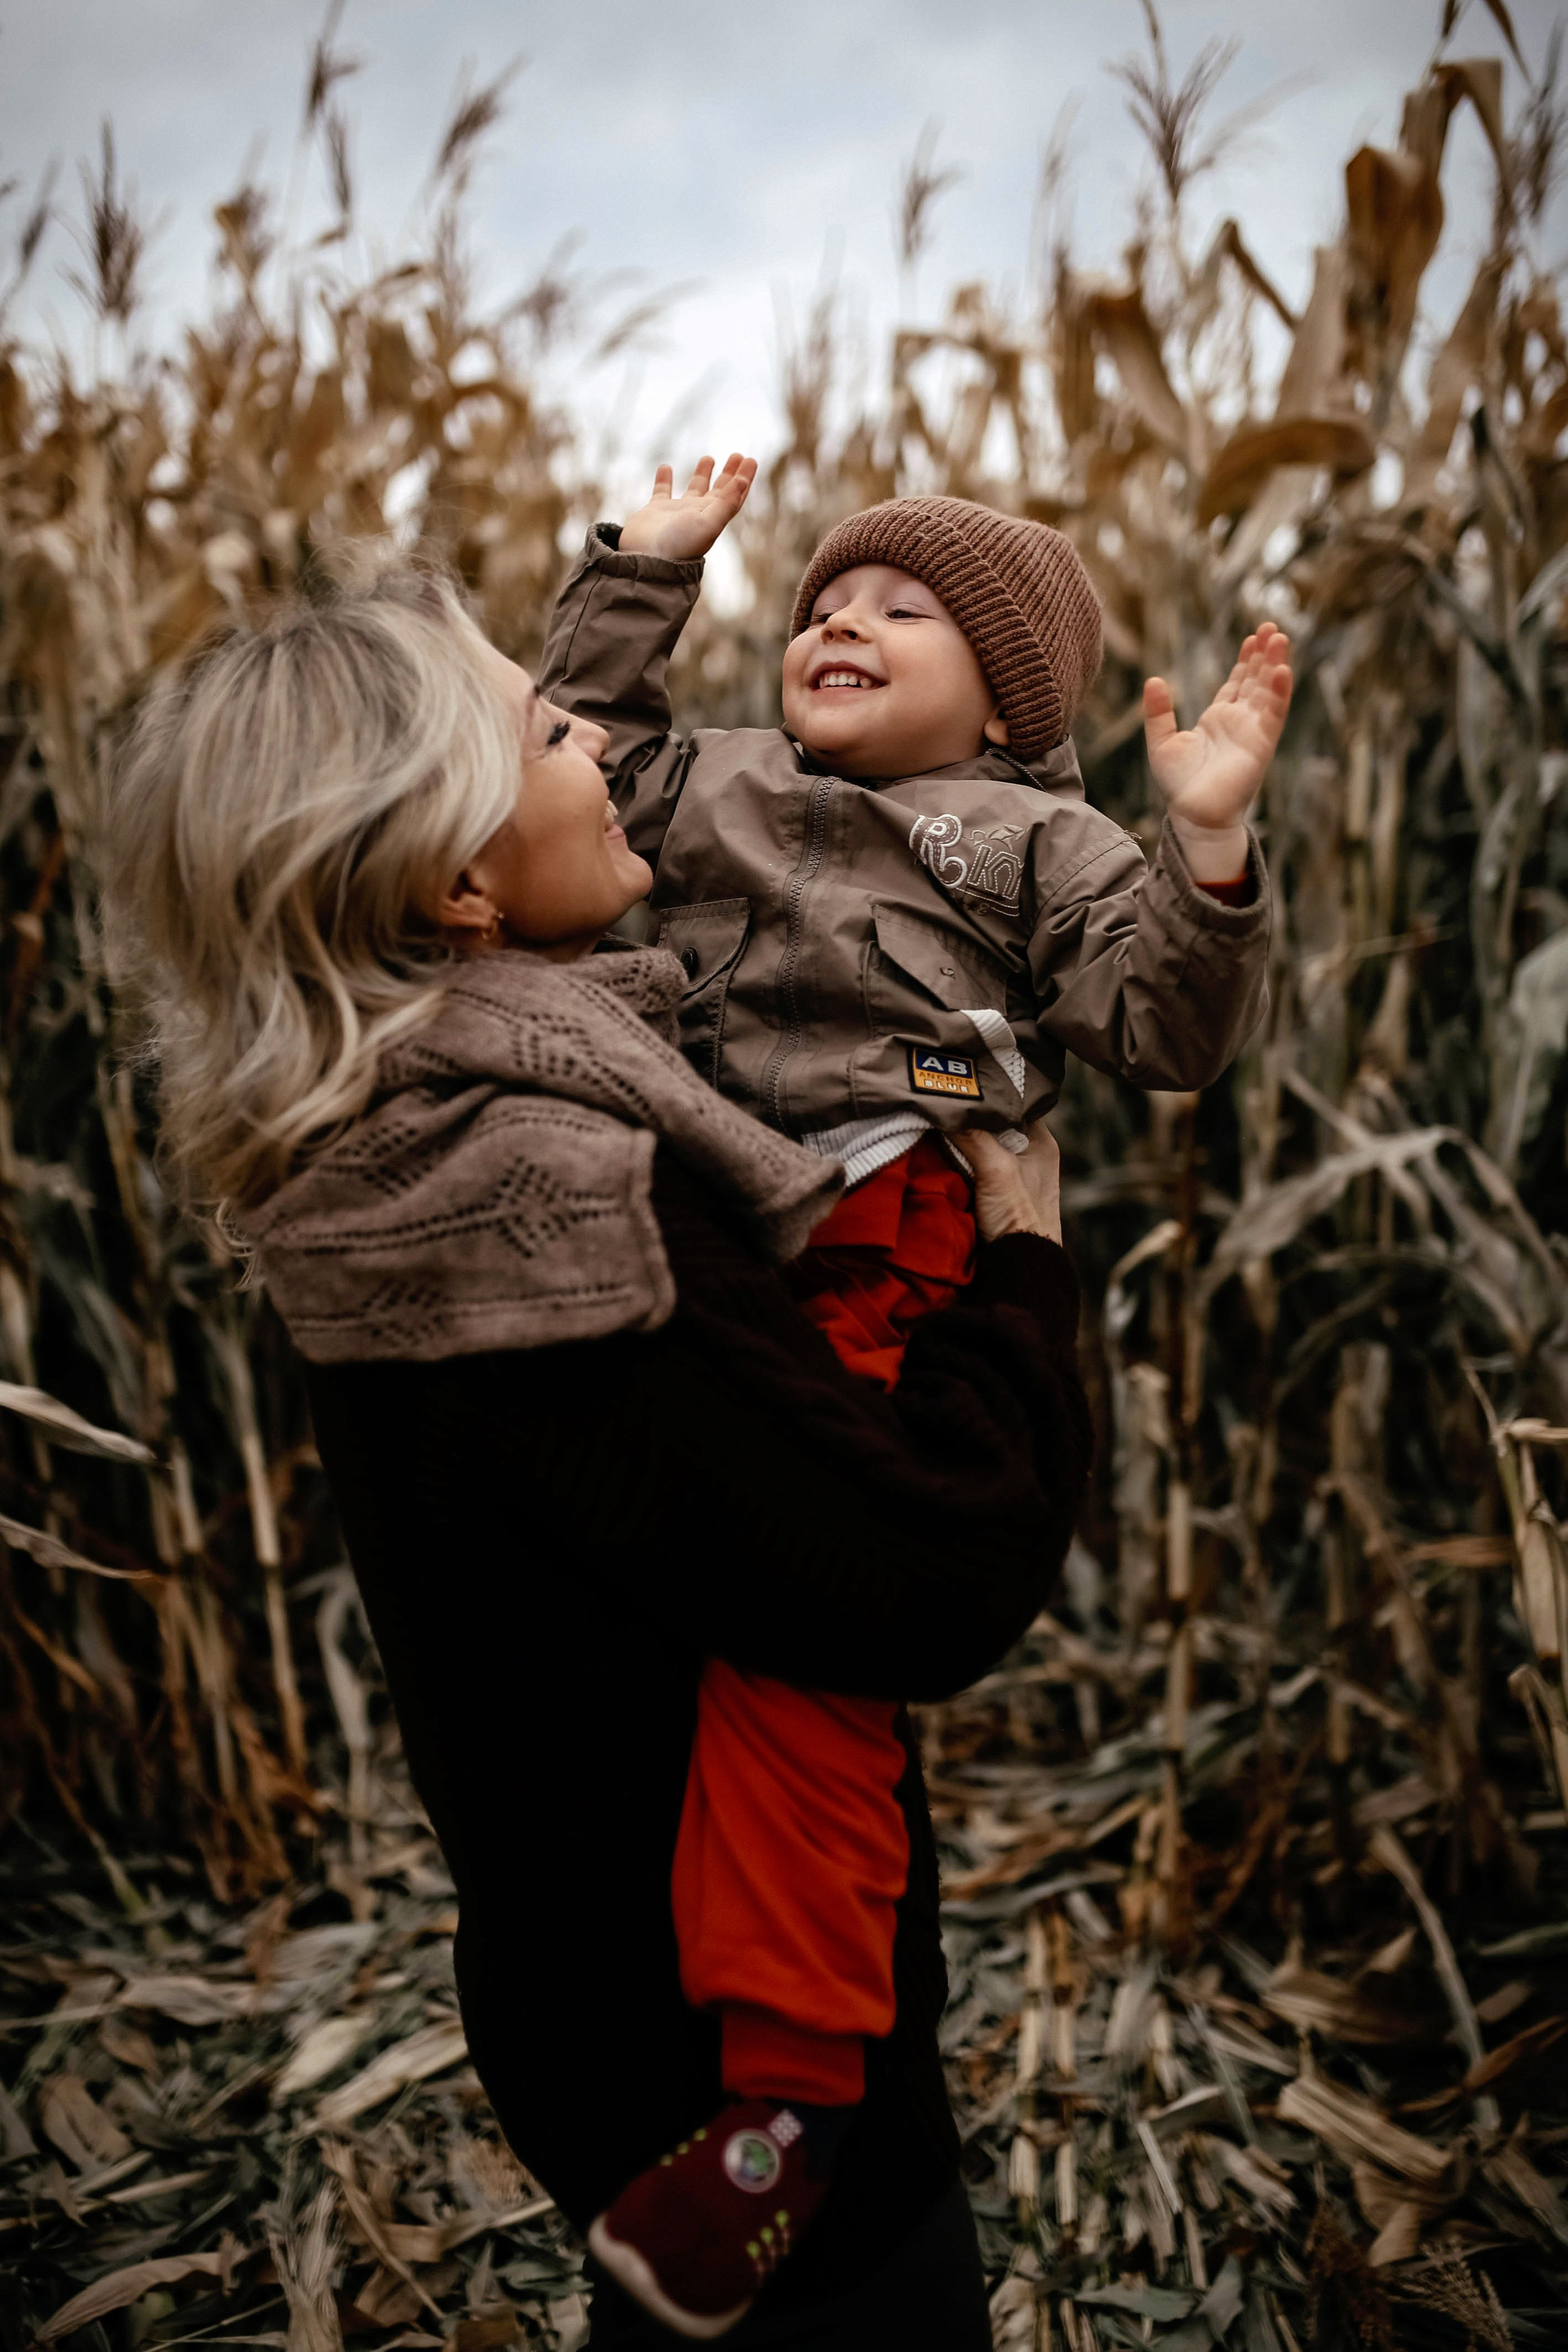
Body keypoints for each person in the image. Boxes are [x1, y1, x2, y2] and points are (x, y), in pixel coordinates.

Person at [104, 546, 1094, 2348]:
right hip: (745, 2062)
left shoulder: (393, 1135)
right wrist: (1021, 1253)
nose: (604, 747)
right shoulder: (564, 1197)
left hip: (579, 1990)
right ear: (461, 881)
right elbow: (932, 1569)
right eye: (551, 729)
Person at [539, 459, 1289, 2334]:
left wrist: (1203, 856)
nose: (836, 624)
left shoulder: (1039, 842)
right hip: (682, 1209)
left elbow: (1163, 1032)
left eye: (902, 610)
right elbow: (551, 760)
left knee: (806, 1661)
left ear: (1016, 702)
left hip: (887, 1227)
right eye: (818, 602)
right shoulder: (706, 775)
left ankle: (789, 2107)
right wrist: (637, 580)